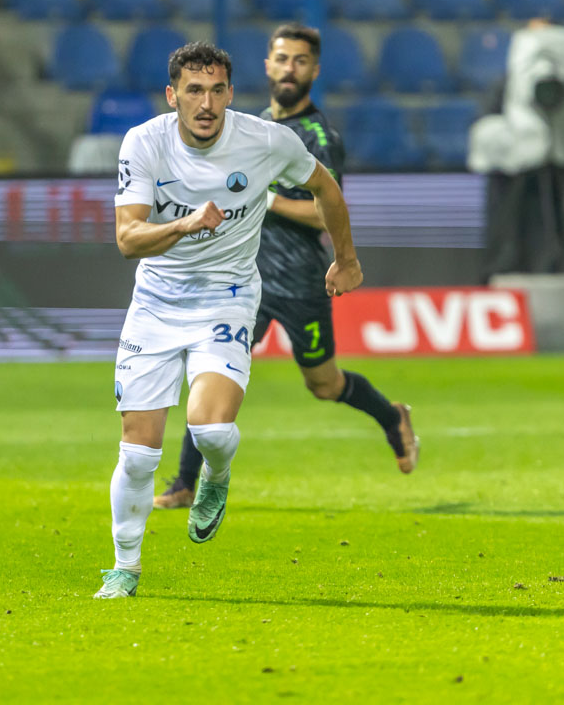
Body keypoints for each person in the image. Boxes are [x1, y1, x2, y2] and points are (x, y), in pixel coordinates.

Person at [95, 41, 364, 599]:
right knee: (139, 454)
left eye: (217, 90)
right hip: (156, 305)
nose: (207, 104)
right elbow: (127, 239)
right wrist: (186, 224)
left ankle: (215, 477)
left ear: (232, 94)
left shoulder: (265, 140)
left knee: (212, 430)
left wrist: (346, 258)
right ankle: (125, 568)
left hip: (228, 296)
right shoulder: (143, 142)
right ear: (172, 96)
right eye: (194, 91)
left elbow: (325, 187)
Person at [153, 24, 420, 513]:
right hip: (244, 278)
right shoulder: (252, 127)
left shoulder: (317, 136)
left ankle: (391, 416)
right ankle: (185, 482)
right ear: (267, 66)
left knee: (324, 384)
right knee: (212, 367)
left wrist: (268, 198)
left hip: (300, 279)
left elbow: (325, 210)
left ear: (314, 71)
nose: (289, 69)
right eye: (282, 59)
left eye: (300, 61)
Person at [467, 18, 564, 281]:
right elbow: (482, 132)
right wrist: (515, 143)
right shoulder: (504, 86)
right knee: (508, 234)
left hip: (562, 174)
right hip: (512, 178)